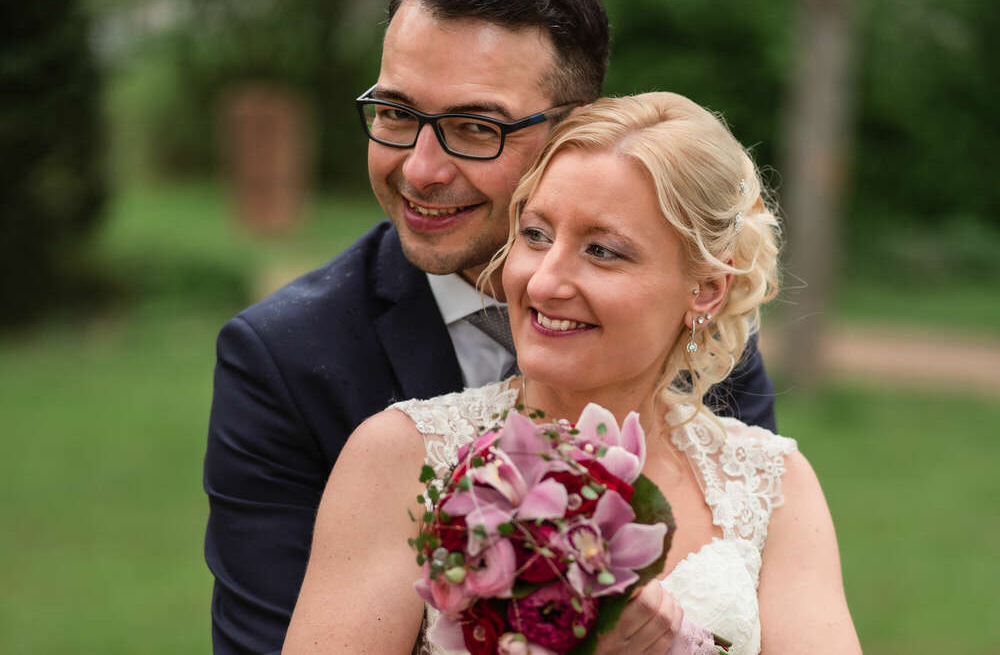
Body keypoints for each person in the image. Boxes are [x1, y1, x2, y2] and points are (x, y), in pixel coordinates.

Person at [203, 0, 776, 652]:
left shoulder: (678, 334)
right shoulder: (287, 358)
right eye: (394, 112)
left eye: (477, 127)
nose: (419, 169)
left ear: (576, 129)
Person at [283, 92, 861, 654]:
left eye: (602, 250)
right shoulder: (403, 457)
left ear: (707, 288)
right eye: (535, 235)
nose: (541, 282)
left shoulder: (770, 484)